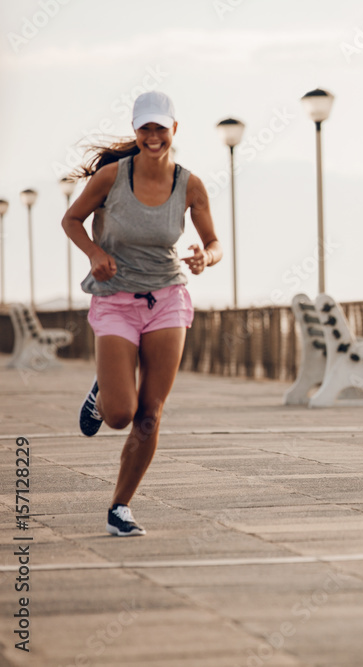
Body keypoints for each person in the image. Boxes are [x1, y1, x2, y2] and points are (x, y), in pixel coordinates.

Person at [61, 91, 222, 536]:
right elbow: (71, 219)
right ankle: (104, 393)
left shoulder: (189, 185)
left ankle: (121, 507)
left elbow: (215, 243)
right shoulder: (112, 178)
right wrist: (94, 253)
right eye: (145, 128)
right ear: (136, 131)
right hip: (115, 299)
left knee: (149, 414)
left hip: (167, 297)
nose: (153, 136)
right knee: (119, 415)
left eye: (160, 128)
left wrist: (205, 258)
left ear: (174, 129)